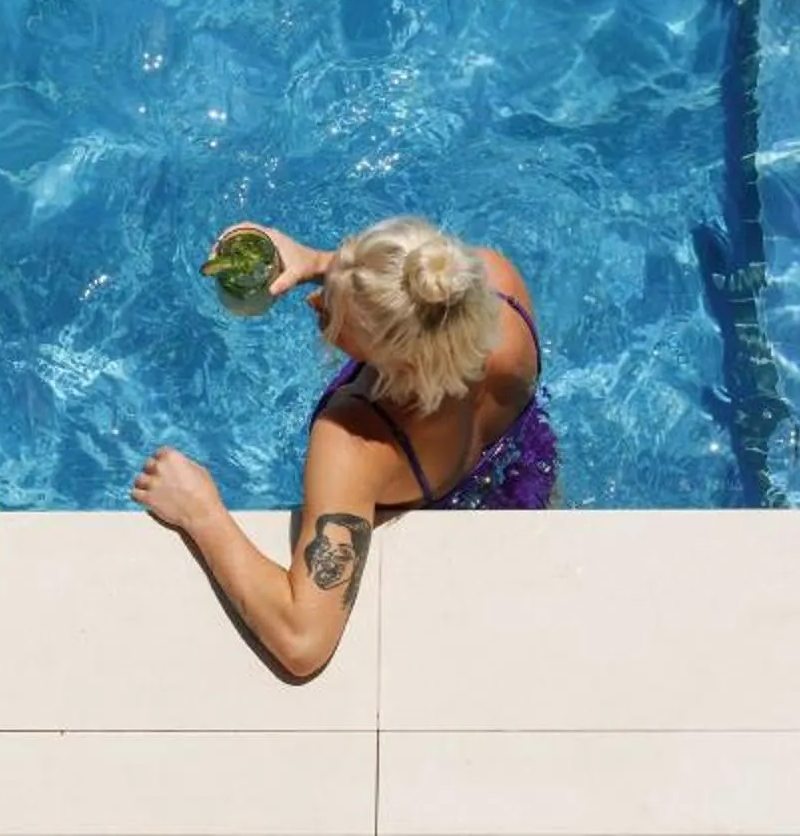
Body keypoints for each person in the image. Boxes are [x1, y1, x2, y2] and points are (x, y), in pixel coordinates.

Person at [130, 216, 555, 676]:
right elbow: (416, 291)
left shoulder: (356, 441)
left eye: (334, 320)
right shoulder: (496, 285)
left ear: (397, 366)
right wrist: (314, 261)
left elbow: (303, 641)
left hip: (433, 509)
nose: (315, 300)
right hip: (526, 471)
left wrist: (202, 512)